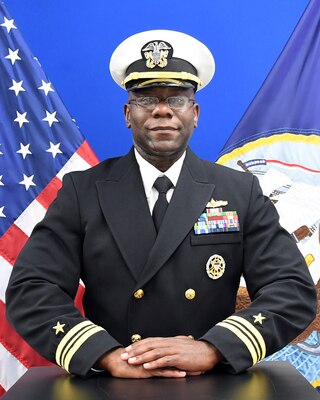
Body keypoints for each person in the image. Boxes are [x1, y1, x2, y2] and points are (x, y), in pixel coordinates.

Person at [6, 29, 317, 379]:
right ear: (127, 113)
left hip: (210, 382)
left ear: (195, 113)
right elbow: (31, 288)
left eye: (177, 99)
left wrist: (214, 348)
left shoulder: (239, 191)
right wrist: (104, 354)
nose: (162, 111)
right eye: (146, 99)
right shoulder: (83, 191)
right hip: (113, 382)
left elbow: (292, 289)